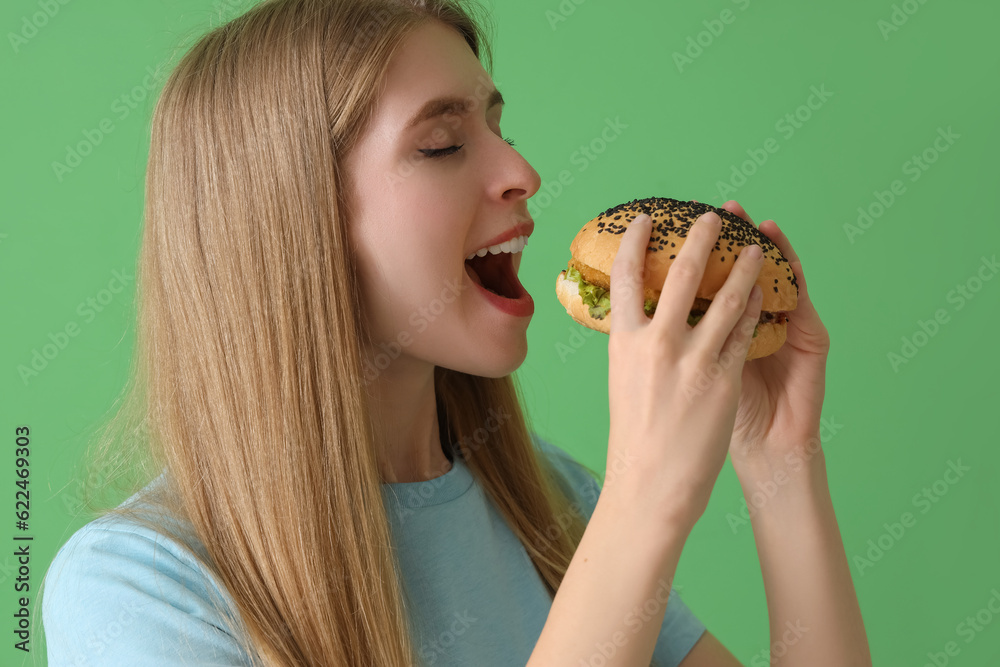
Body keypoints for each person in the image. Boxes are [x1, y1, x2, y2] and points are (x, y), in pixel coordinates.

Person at [41, 0, 872, 665]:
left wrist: (780, 460)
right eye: (442, 143)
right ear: (290, 223)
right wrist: (646, 502)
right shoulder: (136, 591)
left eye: (498, 128)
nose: (521, 172)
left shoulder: (549, 500)